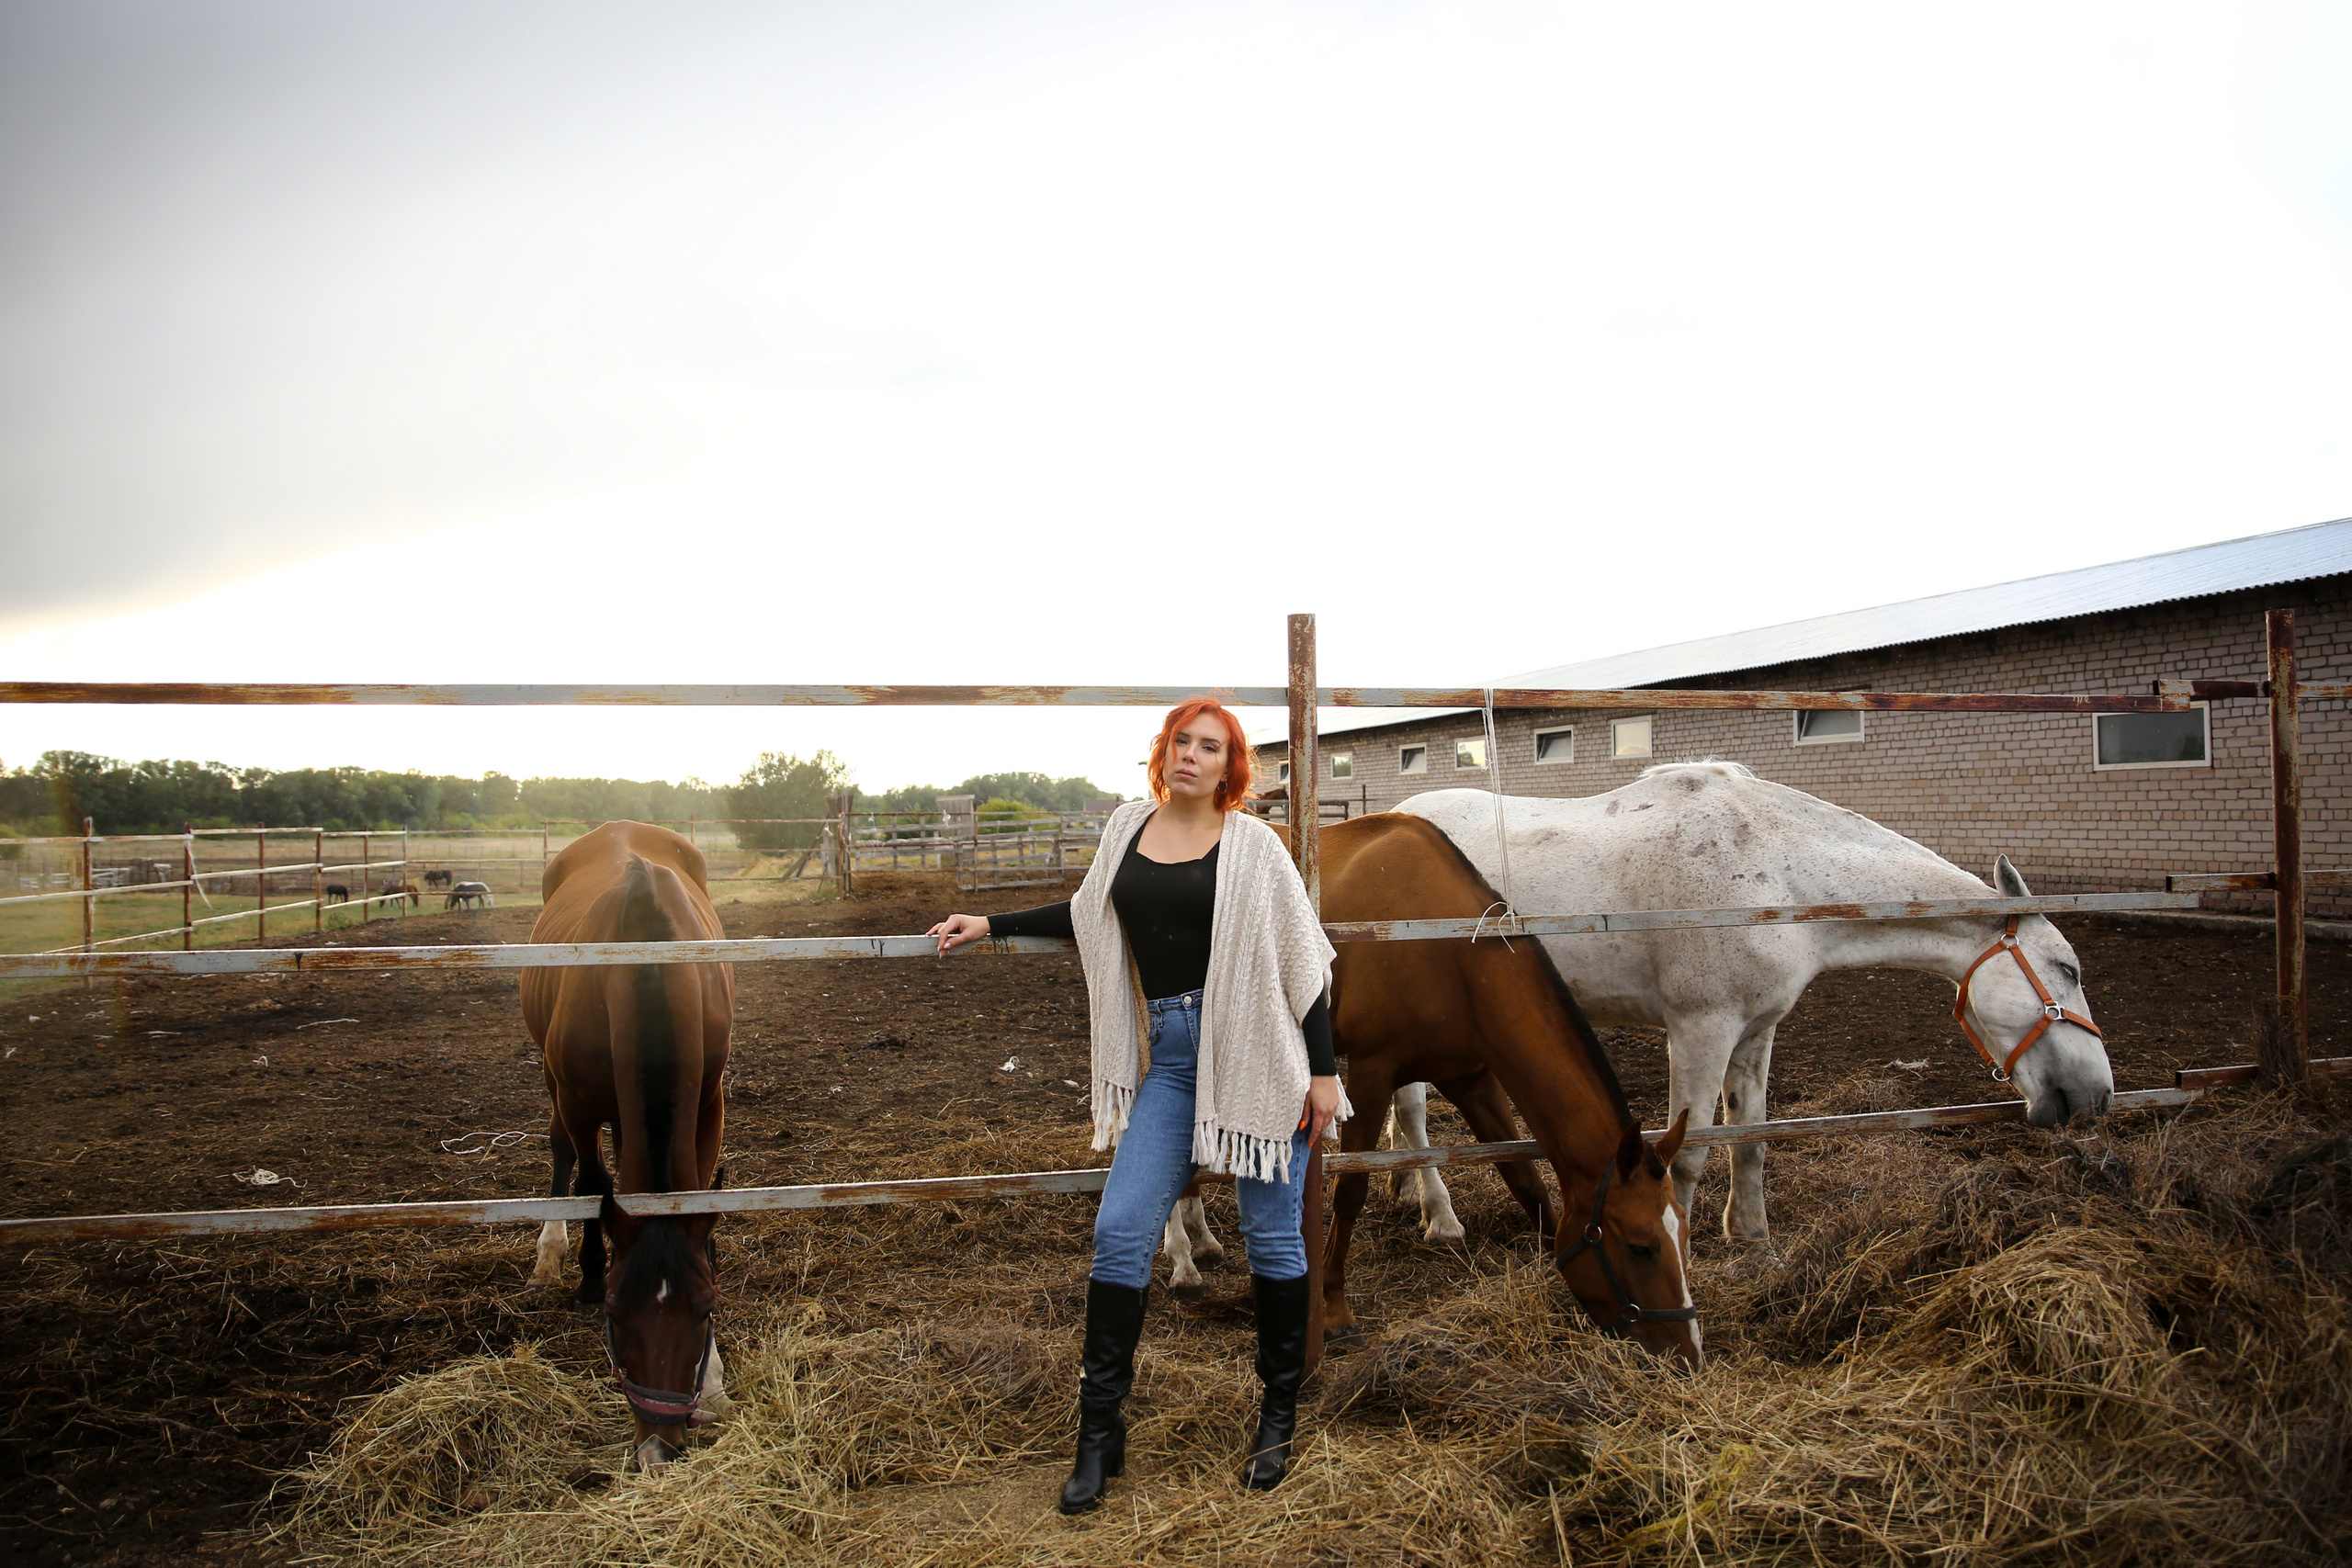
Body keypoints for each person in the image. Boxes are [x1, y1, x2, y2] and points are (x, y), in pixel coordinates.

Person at [928, 697, 1346, 1513]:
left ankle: (1277, 1417)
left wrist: (1324, 1076)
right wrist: (993, 923)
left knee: (1271, 1237)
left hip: (1264, 1057)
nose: (1192, 755)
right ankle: (1099, 1432)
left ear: (1231, 766)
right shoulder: (1127, 828)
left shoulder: (1257, 847)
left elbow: (1305, 965)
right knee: (1121, 1231)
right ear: (1165, 752)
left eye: (1210, 746)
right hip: (1175, 1057)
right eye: (1181, 741)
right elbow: (1090, 916)